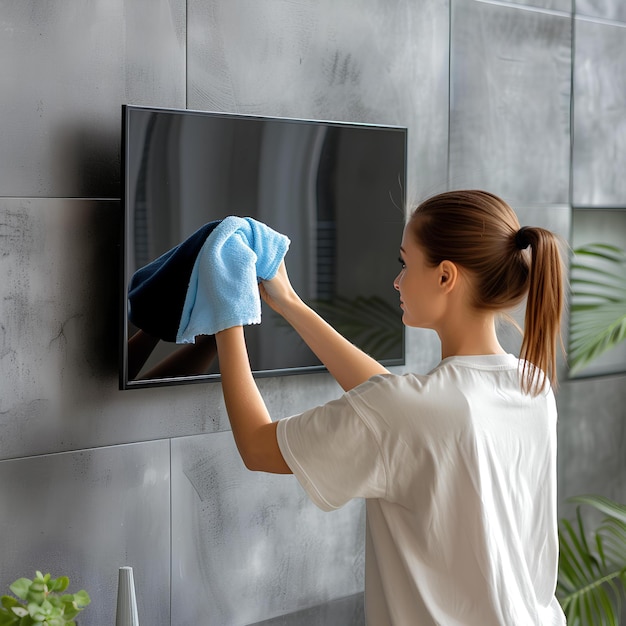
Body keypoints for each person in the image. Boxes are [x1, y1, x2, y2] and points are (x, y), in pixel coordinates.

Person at [214, 189, 566, 625]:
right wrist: (290, 304)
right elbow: (394, 407)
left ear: (445, 277)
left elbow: (257, 446)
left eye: (405, 263)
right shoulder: (531, 387)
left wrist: (228, 307)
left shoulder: (411, 411)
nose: (397, 280)